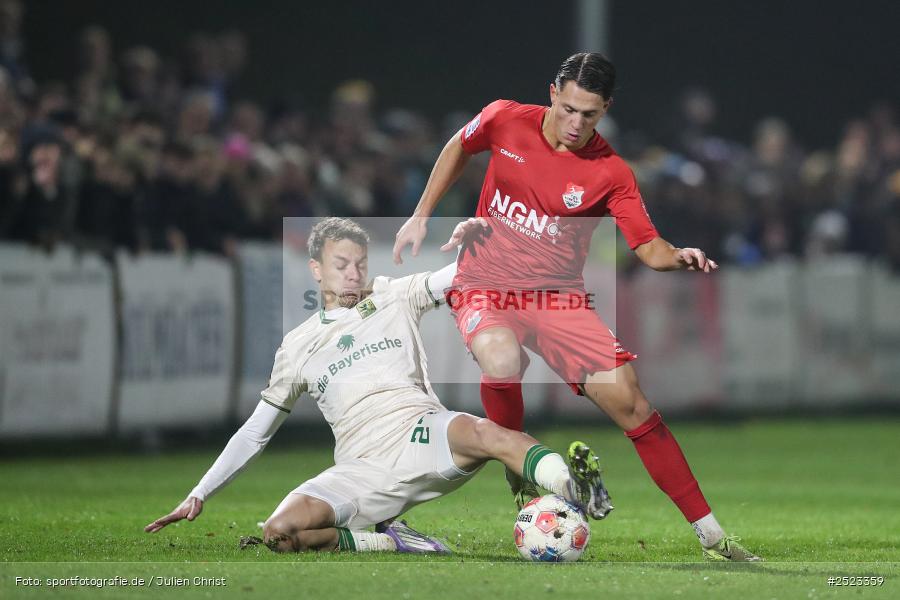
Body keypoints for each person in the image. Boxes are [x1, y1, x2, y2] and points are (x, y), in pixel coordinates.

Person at [392, 52, 760, 561]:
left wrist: (678, 257)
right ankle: (522, 476)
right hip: (485, 284)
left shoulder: (610, 172)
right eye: (568, 108)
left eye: (589, 114)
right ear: (552, 93)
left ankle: (713, 537)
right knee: (500, 361)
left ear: (605, 108)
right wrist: (420, 215)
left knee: (632, 403)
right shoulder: (504, 118)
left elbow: (648, 248)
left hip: (556, 299)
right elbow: (460, 144)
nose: (575, 123)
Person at [145, 217, 609, 554]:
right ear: (315, 270)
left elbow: (462, 276)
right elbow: (255, 432)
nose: (353, 273)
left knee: (486, 433)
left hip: (420, 432)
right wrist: (199, 493)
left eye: (359, 263)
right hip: (359, 468)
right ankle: (387, 541)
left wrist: (483, 242)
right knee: (281, 532)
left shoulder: (393, 295)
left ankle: (573, 489)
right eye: (341, 263)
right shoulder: (297, 347)